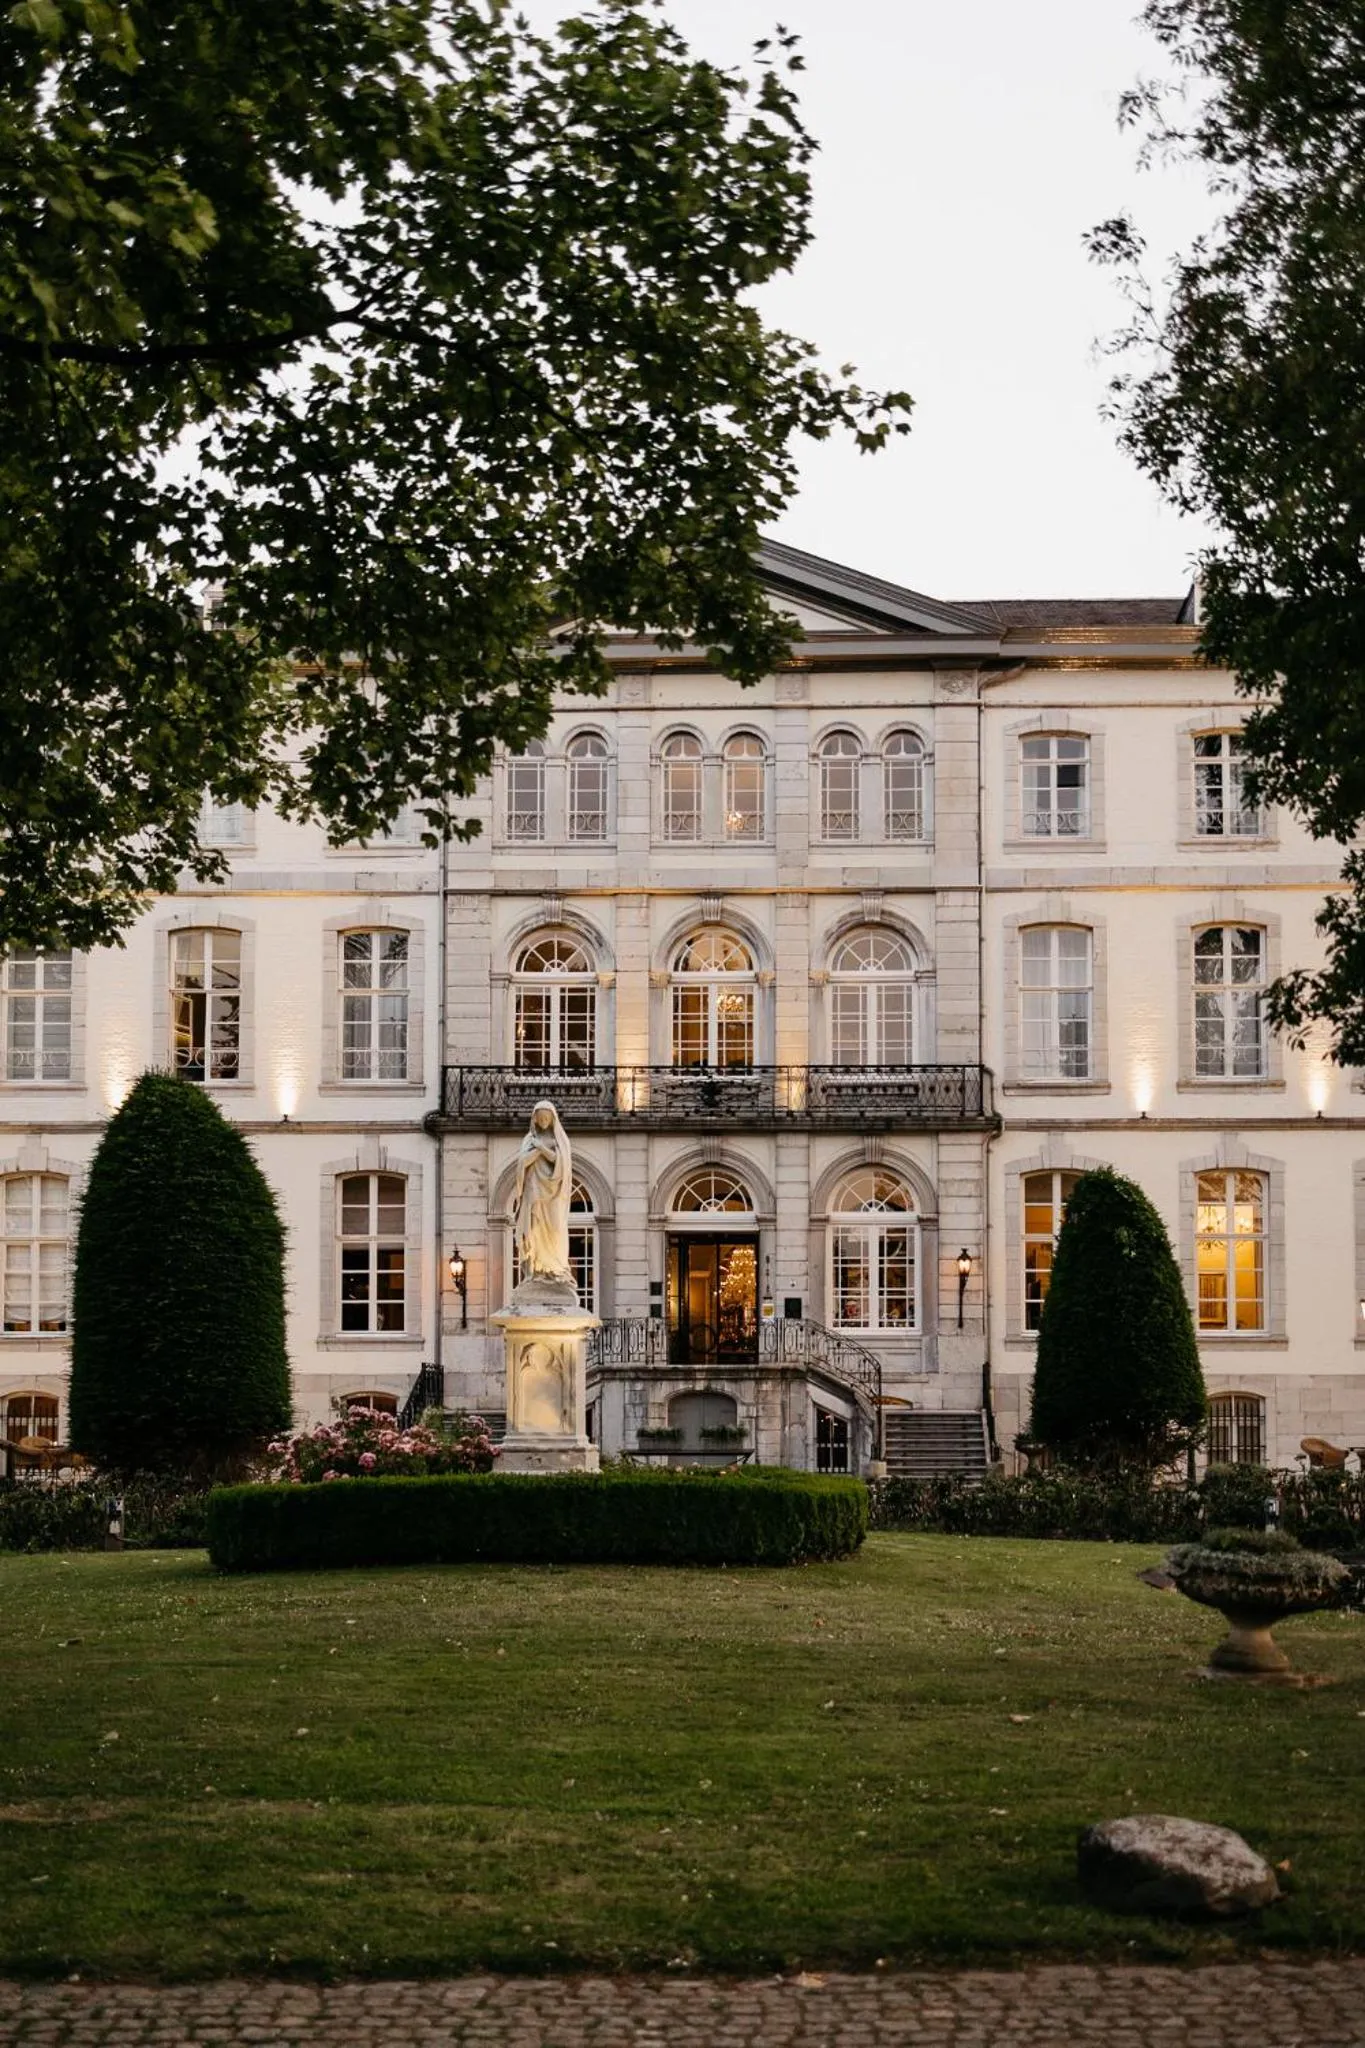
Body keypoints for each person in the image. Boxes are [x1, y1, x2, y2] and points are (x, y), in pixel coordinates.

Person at [512, 1100, 575, 1290]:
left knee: (555, 1229)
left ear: (553, 1119)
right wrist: (536, 1149)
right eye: (540, 1118)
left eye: (547, 1118)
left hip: (554, 1194)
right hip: (534, 1191)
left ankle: (556, 1270)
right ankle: (536, 1272)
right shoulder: (528, 1139)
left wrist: (540, 1148)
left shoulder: (560, 1140)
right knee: (534, 1231)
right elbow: (522, 1163)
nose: (543, 1121)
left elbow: (560, 1163)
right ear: (535, 1119)